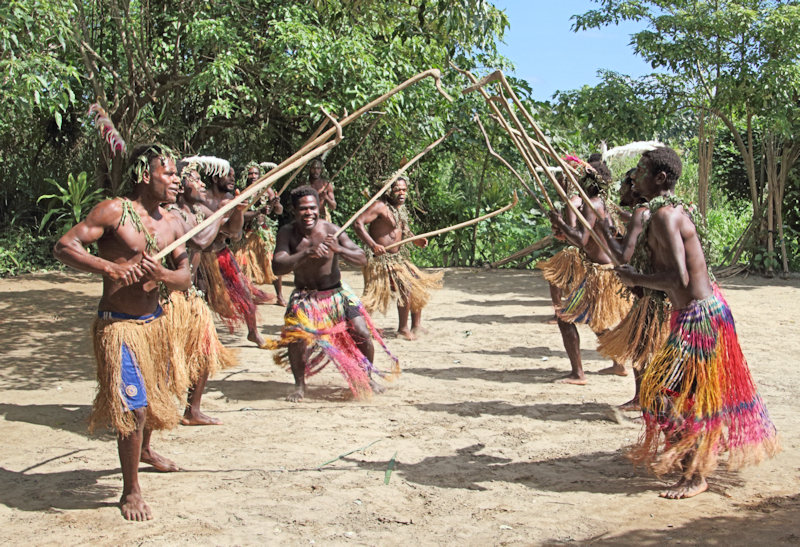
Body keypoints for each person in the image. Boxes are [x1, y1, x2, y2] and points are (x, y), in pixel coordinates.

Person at [615, 146, 779, 499]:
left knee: (658, 394)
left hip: (699, 317)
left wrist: (636, 279)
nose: (635, 176)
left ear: (660, 178)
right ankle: (699, 454)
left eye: (641, 171)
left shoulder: (663, 217)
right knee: (684, 394)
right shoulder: (667, 212)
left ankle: (694, 474)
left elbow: (679, 280)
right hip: (697, 313)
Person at [53, 144, 191, 521]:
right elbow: (65, 245)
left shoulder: (175, 221)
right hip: (119, 326)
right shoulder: (114, 210)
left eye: (177, 173)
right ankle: (130, 491)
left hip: (156, 324)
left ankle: (144, 451)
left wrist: (163, 275)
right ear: (145, 175)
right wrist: (109, 269)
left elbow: (185, 276)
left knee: (156, 399)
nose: (176, 179)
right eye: (168, 172)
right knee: (134, 407)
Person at [268, 186, 399, 402]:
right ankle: (300, 385)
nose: (309, 212)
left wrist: (340, 250)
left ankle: (367, 377)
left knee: (362, 333)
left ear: (319, 207)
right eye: (303, 209)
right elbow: (278, 266)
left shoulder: (331, 230)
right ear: (294, 210)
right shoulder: (287, 233)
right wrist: (306, 253)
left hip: (336, 293)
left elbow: (362, 259)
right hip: (305, 296)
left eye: (312, 207)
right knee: (296, 337)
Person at [164, 162, 239, 426]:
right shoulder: (171, 213)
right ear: (183, 185)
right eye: (196, 180)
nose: (203, 185)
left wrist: (236, 210)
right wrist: (221, 213)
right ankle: (155, 410)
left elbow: (232, 231)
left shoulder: (199, 209)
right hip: (169, 295)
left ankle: (192, 410)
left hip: (192, 295)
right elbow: (199, 241)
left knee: (204, 354)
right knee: (168, 358)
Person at [547, 158, 632, 384]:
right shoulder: (598, 203)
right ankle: (618, 364)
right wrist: (563, 222)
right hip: (603, 271)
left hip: (601, 274)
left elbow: (582, 240)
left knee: (565, 318)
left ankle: (578, 373)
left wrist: (561, 223)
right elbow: (580, 234)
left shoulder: (592, 204)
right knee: (596, 322)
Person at [595, 169, 667, 411]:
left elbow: (624, 256)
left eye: (627, 185)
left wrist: (605, 230)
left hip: (652, 293)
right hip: (650, 292)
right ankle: (642, 398)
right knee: (642, 345)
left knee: (645, 346)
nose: (621, 191)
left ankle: (646, 399)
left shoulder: (642, 213)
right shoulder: (651, 211)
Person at [353, 177, 443, 340]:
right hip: (380, 260)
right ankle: (401, 329)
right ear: (389, 190)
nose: (402, 193)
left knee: (416, 283)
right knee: (394, 289)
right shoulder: (379, 206)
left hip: (397, 258)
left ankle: (416, 325)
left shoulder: (400, 209)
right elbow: (358, 223)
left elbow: (403, 229)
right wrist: (373, 245)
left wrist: (415, 239)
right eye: (397, 189)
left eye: (404, 189)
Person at [198, 166, 270, 346]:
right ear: (215, 179)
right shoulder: (201, 199)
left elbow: (236, 234)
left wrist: (235, 217)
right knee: (201, 298)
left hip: (223, 253)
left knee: (244, 292)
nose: (232, 178)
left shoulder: (231, 200)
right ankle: (203, 339)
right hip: (202, 257)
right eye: (227, 175)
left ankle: (253, 332)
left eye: (233, 175)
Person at [233, 162, 286, 305]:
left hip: (264, 233)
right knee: (244, 265)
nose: (253, 176)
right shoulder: (243, 194)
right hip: (248, 233)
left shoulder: (267, 190)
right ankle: (246, 295)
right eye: (251, 173)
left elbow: (279, 211)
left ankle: (280, 296)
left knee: (272, 264)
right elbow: (242, 215)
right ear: (246, 175)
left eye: (256, 173)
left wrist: (276, 204)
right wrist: (258, 212)